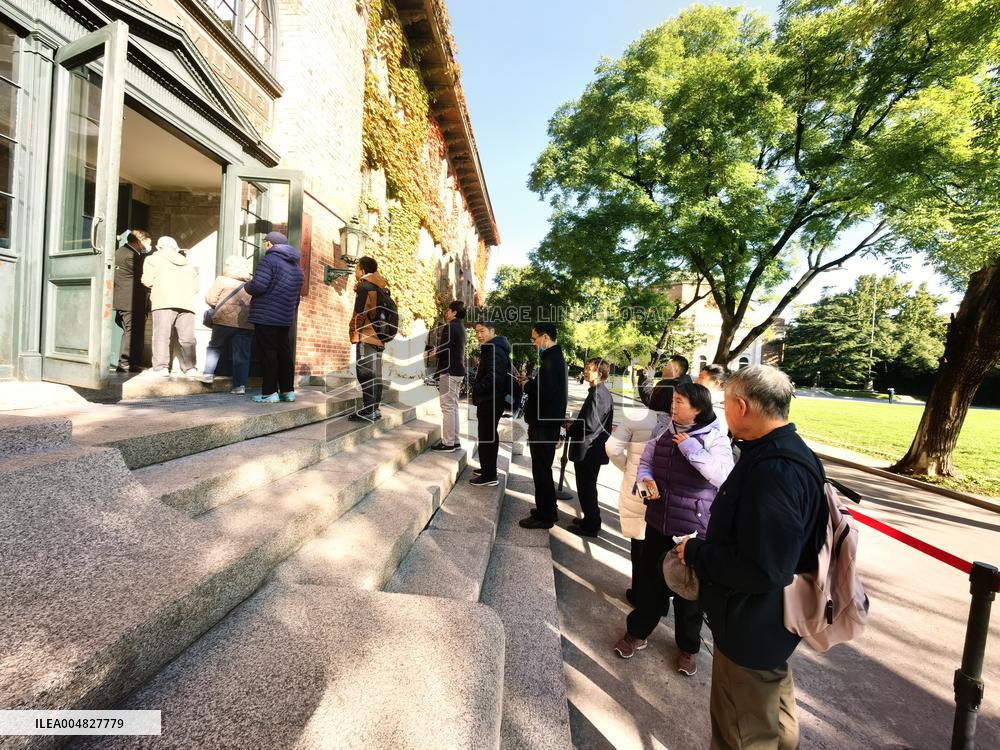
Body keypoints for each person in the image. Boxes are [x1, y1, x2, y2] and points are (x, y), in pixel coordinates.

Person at [675, 365, 825, 749]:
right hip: (765, 628)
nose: (724, 412)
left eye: (725, 404)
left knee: (742, 731)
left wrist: (696, 552)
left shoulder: (774, 469)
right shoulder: (782, 452)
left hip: (752, 626)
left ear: (742, 405)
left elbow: (762, 570)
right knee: (773, 721)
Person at [614, 382, 733, 678]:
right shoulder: (662, 433)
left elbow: (721, 476)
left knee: (687, 592)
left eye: (680, 402)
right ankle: (637, 633)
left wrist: (689, 446)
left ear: (698, 408)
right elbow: (646, 463)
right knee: (650, 583)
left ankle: (688, 648)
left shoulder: (713, 439)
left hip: (691, 531)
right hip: (658, 522)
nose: (673, 405)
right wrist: (645, 481)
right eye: (674, 400)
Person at [605, 383, 672, 600]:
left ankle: (639, 594)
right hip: (668, 494)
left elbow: (612, 448)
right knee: (662, 549)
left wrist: (627, 467)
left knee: (639, 544)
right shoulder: (681, 423)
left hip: (639, 488)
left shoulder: (637, 417)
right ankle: (658, 601)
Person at [517, 322, 568, 530]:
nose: (533, 343)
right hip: (547, 423)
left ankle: (546, 515)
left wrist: (527, 385)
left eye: (534, 338)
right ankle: (545, 508)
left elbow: (544, 393)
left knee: (542, 470)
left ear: (545, 337)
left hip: (544, 425)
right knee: (542, 469)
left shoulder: (551, 358)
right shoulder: (554, 357)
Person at [244, 231, 304, 403]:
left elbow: (259, 286)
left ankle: (269, 393)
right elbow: (296, 297)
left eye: (265, 243)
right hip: (285, 317)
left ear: (270, 244)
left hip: (266, 315)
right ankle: (287, 391)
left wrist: (247, 285)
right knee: (284, 353)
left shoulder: (269, 260)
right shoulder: (297, 268)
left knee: (268, 353)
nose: (264, 246)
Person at [564, 357, 614, 537]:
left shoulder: (599, 394)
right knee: (586, 487)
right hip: (590, 449)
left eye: (589, 369)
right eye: (586, 367)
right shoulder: (597, 391)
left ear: (599, 373)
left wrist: (571, 426)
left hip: (589, 451)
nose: (585, 371)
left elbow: (590, 425)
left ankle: (591, 525)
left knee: (587, 488)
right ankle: (589, 519)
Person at [141, 236, 199, 378]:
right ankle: (190, 368)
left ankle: (161, 368)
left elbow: (147, 281)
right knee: (187, 338)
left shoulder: (152, 259)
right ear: (175, 248)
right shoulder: (187, 263)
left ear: (159, 247)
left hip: (163, 301)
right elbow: (195, 288)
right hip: (187, 303)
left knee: (161, 335)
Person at [200, 255, 254, 395]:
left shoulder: (222, 280)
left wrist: (219, 306)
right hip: (245, 323)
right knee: (242, 355)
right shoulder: (252, 284)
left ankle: (208, 374)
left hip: (223, 320)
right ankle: (239, 386)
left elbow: (210, 298)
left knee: (215, 347)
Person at [470, 320, 512, 487]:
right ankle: (488, 469)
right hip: (492, 399)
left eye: (482, 331)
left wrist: (477, 388)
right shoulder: (494, 347)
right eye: (477, 332)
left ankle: (489, 476)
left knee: (487, 436)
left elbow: (495, 377)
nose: (479, 335)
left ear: (492, 330)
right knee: (488, 435)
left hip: (490, 399)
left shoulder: (494, 349)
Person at [348, 256, 389, 421]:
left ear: (362, 269)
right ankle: (375, 409)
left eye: (356, 268)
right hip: (379, 337)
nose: (355, 272)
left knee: (365, 372)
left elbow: (359, 313)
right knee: (376, 373)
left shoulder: (365, 287)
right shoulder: (381, 288)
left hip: (367, 335)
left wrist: (353, 332)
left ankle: (368, 410)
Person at [430, 300, 467, 452]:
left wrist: (435, 352)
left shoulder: (450, 327)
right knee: (453, 406)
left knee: (447, 407)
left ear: (454, 312)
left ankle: (448, 443)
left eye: (449, 310)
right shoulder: (462, 328)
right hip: (458, 371)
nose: (447, 313)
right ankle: (455, 441)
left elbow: (445, 348)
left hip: (449, 371)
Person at [113, 229, 151, 373]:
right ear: (138, 241)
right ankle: (125, 363)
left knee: (130, 332)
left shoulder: (121, 252)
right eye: (146, 242)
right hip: (130, 302)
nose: (147, 246)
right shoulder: (130, 256)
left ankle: (129, 363)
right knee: (132, 332)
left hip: (125, 301)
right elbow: (143, 277)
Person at [697, 363, 728, 431]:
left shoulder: (720, 409)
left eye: (701, 378)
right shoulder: (704, 402)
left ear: (716, 383)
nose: (696, 381)